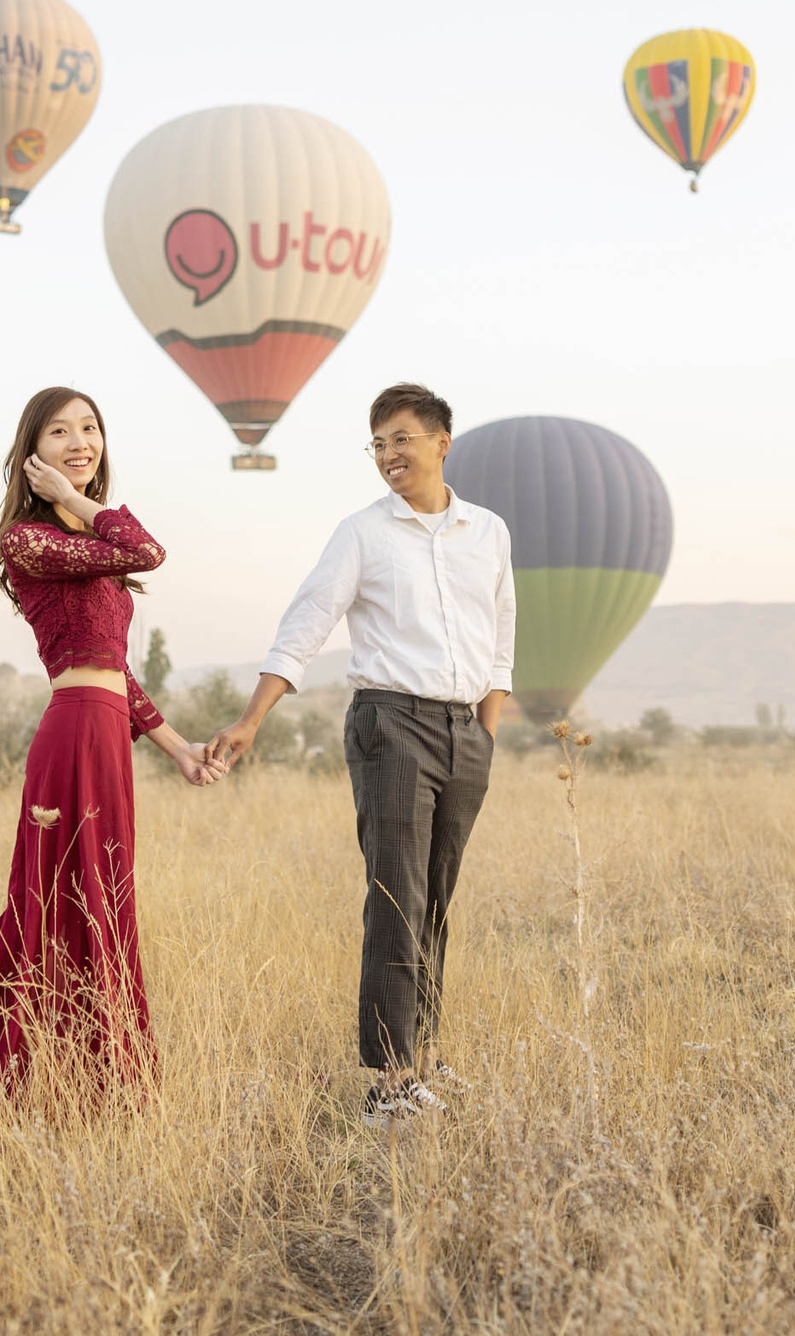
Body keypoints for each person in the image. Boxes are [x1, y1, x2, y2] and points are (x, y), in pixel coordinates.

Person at [0, 388, 217, 1116]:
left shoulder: (88, 549)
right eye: (60, 431)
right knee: (51, 910)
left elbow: (118, 668)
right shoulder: (29, 541)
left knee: (103, 906)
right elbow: (148, 550)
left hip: (108, 735)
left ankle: (96, 1085)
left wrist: (178, 749)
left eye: (91, 427)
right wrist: (75, 497)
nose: (81, 440)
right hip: (71, 733)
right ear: (33, 453)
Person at [209, 383, 514, 1126]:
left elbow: (500, 635)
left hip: (465, 731)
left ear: (442, 442)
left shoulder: (488, 532)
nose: (387, 455)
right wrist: (253, 720)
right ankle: (388, 1083)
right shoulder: (362, 532)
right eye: (377, 444)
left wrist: (487, 730)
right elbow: (308, 620)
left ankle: (425, 1059)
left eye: (401, 439)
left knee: (437, 896)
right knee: (396, 897)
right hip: (392, 723)